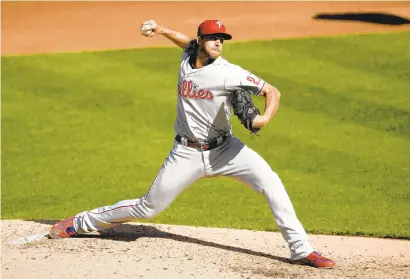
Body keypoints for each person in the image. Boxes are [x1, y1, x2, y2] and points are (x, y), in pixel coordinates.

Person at [50, 19, 336, 269]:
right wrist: (161, 29)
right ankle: (81, 222)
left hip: (226, 150)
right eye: (212, 38)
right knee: (148, 208)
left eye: (222, 39)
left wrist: (263, 119)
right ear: (200, 41)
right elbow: (182, 41)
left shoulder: (229, 72)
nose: (218, 43)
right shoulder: (188, 55)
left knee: (270, 182)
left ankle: (301, 250)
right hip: (186, 152)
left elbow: (273, 92)